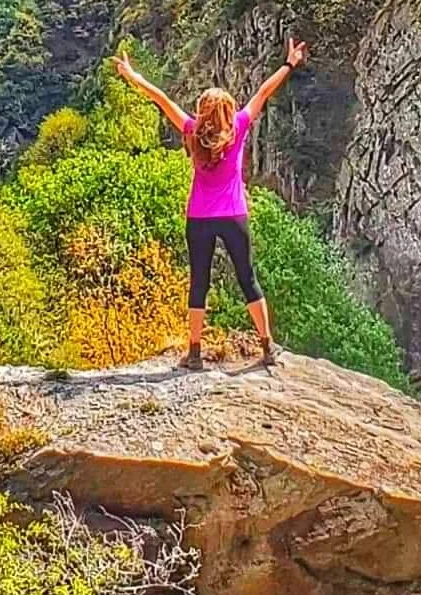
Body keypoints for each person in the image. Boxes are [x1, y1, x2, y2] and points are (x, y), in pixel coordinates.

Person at [113, 38, 310, 370]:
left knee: (199, 282)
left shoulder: (191, 130)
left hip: (199, 217)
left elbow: (159, 98)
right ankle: (266, 347)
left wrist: (132, 75)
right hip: (233, 214)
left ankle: (193, 352)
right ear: (229, 111)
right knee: (248, 278)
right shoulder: (239, 128)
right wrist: (289, 63)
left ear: (203, 112)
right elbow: (263, 92)